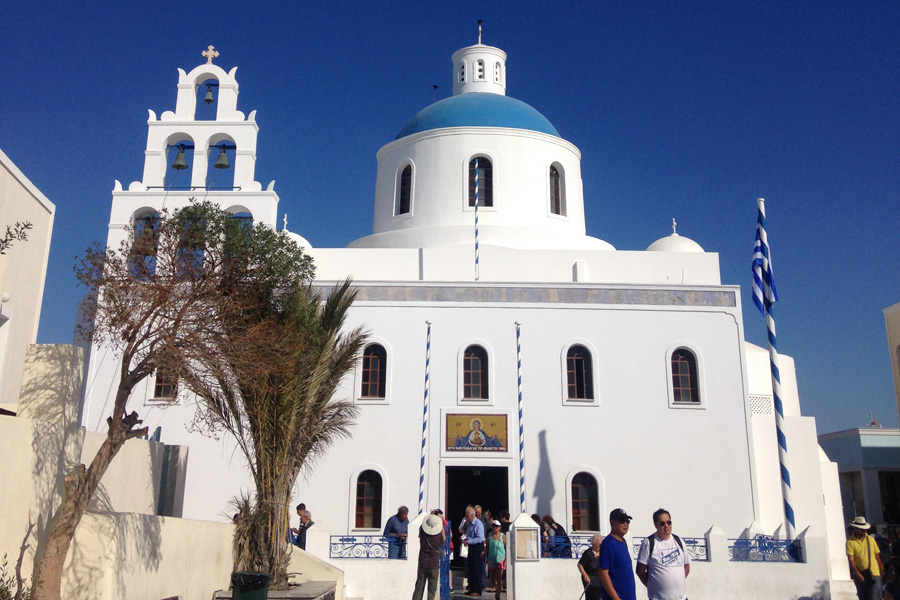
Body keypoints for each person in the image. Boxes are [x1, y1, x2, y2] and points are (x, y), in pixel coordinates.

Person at [636, 508, 690, 600]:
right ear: (656, 525)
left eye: (669, 522)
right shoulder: (649, 543)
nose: (666, 526)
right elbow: (640, 571)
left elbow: (686, 566)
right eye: (662, 523)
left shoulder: (679, 541)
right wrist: (654, 587)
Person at [598, 508, 635, 600]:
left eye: (627, 521)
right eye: (622, 521)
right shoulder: (608, 544)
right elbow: (603, 573)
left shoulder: (623, 542)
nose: (626, 524)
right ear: (612, 523)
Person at [847, 516, 884, 600]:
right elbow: (851, 559)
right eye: (861, 529)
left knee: (873, 597)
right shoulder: (850, 542)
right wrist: (857, 572)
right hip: (861, 574)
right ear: (856, 528)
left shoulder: (871, 539)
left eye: (864, 529)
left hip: (874, 573)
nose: (864, 531)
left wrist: (881, 569)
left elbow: (877, 556)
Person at [412, 514, 445, 600]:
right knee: (431, 590)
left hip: (423, 562)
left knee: (419, 587)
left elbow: (420, 528)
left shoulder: (422, 534)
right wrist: (440, 526)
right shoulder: (438, 537)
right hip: (433, 565)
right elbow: (444, 538)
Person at [462, 506, 486, 596]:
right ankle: (471, 588)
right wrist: (465, 540)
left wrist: (469, 541)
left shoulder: (478, 524)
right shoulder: (470, 525)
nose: (466, 517)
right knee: (471, 568)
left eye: (467, 515)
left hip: (477, 547)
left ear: (472, 515)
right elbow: (470, 535)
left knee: (477, 568)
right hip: (471, 547)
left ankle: (477, 589)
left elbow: (480, 538)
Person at [578, 533, 604, 600]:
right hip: (590, 581)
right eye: (599, 543)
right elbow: (580, 565)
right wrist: (585, 576)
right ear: (594, 543)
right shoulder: (588, 553)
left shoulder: (602, 553)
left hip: (599, 581)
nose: (601, 545)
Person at [486, 520, 506, 600]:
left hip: (500, 558)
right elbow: (487, 545)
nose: (495, 528)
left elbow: (506, 546)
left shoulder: (502, 536)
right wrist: (484, 551)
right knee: (492, 577)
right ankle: (495, 587)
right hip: (491, 558)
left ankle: (498, 594)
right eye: (493, 526)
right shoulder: (490, 535)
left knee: (498, 576)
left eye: (497, 526)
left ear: (500, 527)